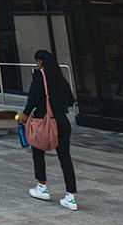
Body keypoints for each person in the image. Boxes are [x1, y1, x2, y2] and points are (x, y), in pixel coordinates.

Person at [18, 49, 78, 211]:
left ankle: (42, 187)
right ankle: (71, 196)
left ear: (39, 61)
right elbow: (71, 100)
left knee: (38, 151)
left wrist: (25, 114)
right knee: (65, 157)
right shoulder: (59, 76)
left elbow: (33, 97)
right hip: (63, 121)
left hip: (44, 120)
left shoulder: (40, 75)